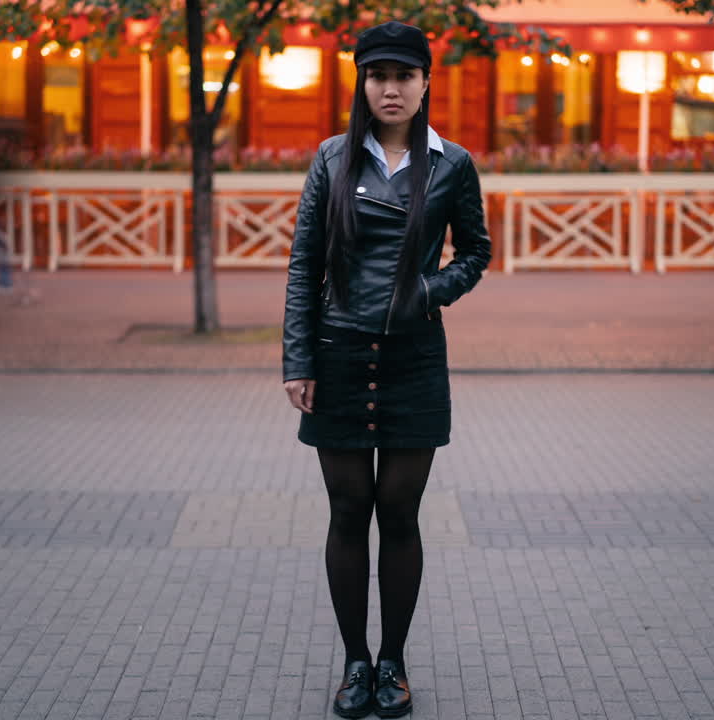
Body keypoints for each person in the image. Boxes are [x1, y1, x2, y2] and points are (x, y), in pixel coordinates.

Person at [281, 20, 491, 718]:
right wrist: (298, 360)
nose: (391, 88)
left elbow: (476, 253)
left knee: (400, 514)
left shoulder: (452, 163)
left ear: (426, 82)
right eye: (378, 76)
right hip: (338, 354)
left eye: (404, 75)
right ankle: (355, 664)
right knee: (348, 512)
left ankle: (393, 661)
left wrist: (427, 291)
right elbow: (304, 266)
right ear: (362, 83)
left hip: (414, 358)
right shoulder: (332, 158)